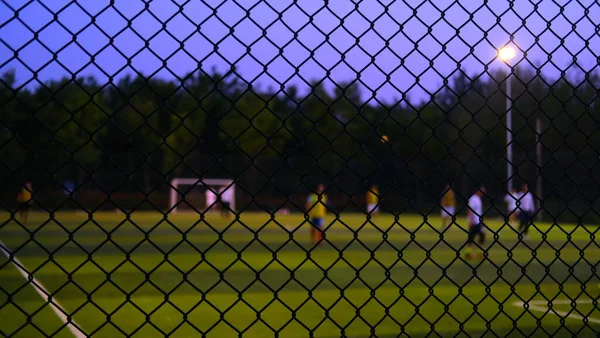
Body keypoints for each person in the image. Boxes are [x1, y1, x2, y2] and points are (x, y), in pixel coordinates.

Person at [465, 187, 486, 260]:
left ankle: (480, 253)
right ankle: (468, 253)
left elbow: (479, 211)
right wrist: (470, 220)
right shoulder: (473, 199)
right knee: (472, 238)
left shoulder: (478, 199)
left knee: (482, 237)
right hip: (474, 222)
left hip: (479, 221)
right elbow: (470, 210)